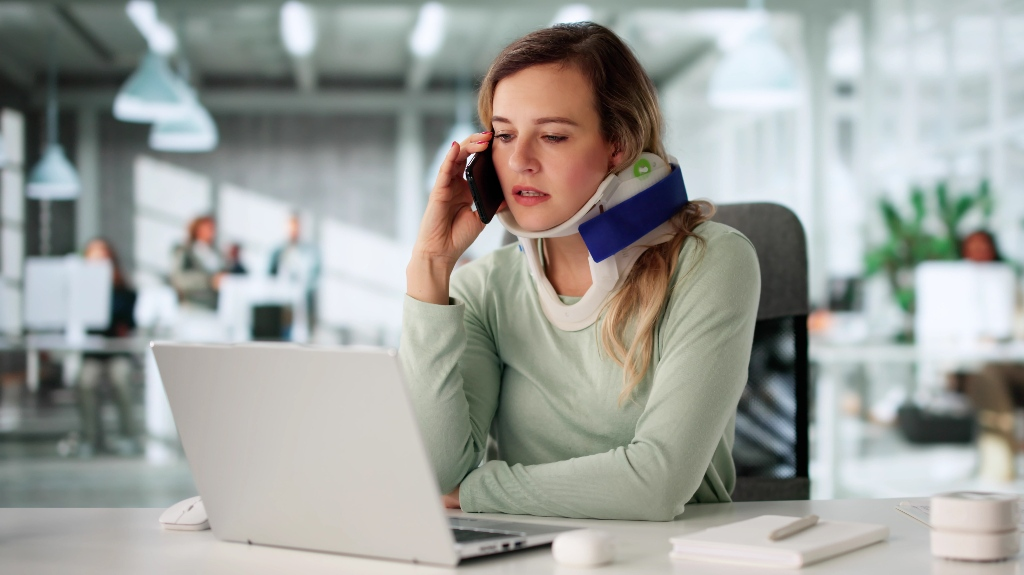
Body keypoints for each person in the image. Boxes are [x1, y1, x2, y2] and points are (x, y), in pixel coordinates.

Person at [400, 23, 760, 521]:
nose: (520, 160)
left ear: (618, 144)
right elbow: (436, 476)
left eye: (551, 136)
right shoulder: (483, 289)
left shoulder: (711, 262)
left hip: (678, 557)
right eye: (503, 135)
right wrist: (431, 265)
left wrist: (477, 491)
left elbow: (656, 484)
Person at [66, 238, 139, 457]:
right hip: (92, 352)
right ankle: (90, 437)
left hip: (116, 349)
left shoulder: (122, 289)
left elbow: (128, 320)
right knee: (85, 382)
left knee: (122, 379)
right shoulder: (78, 287)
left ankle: (128, 435)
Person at [268, 212, 320, 330]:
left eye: (296, 227)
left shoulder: (309, 252)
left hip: (302, 301)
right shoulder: (278, 251)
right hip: (281, 301)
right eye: (291, 227)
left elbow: (314, 277)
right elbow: (269, 275)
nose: (293, 231)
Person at [169, 215, 224, 310]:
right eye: (209, 228)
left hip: (216, 307)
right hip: (194, 306)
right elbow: (178, 279)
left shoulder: (217, 254)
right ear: (197, 230)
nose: (213, 232)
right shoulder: (185, 252)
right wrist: (209, 281)